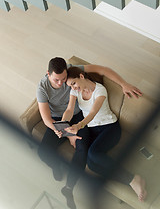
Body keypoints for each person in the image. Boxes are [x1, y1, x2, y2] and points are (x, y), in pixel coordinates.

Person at [36, 57, 143, 208]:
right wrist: (64, 130)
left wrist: (124, 84)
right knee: (43, 153)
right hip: (58, 121)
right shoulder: (43, 88)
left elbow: (103, 70)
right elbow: (48, 119)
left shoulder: (77, 76)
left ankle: (68, 188)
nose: (61, 84)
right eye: (57, 80)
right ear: (48, 74)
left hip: (82, 117)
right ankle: (56, 166)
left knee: (84, 150)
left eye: (65, 79)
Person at [62, 66, 147, 203]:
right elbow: (69, 109)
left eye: (74, 83)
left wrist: (79, 125)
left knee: (93, 154)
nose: (73, 87)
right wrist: (64, 121)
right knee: (92, 165)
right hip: (93, 129)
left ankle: (133, 180)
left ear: (81, 76)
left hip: (110, 129)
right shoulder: (75, 92)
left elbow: (93, 113)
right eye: (70, 85)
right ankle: (130, 181)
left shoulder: (100, 90)